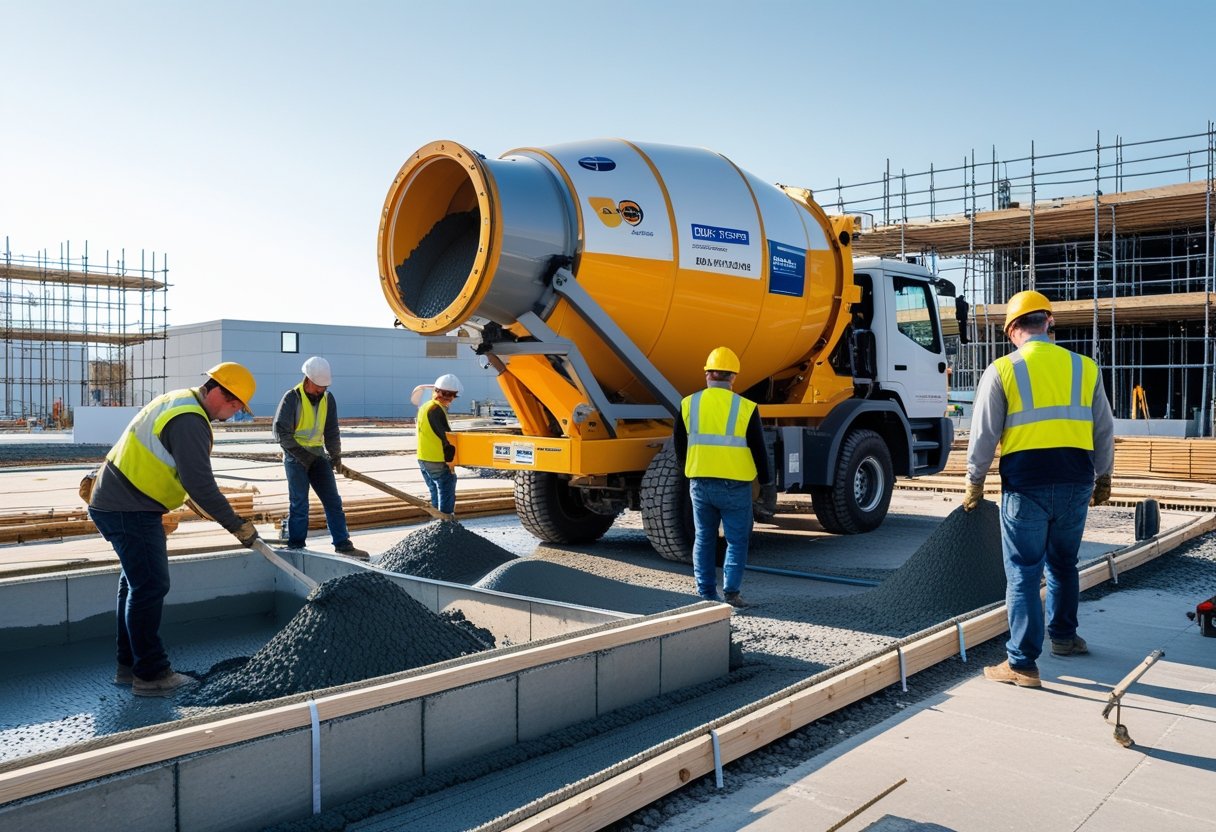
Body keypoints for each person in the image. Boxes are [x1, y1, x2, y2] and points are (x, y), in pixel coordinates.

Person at [964, 290, 1115, 688]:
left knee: (1023, 573)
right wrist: (1104, 476)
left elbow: (983, 434)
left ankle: (1022, 664)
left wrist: (974, 480)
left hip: (1026, 484)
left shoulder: (1002, 369)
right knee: (1064, 564)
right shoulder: (1085, 368)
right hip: (1075, 482)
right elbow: (1104, 428)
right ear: (1048, 323)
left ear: (1013, 330)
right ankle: (1064, 638)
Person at [87, 362, 263, 696]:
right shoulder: (190, 421)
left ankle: (130, 667)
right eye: (234, 403)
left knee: (135, 586)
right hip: (130, 507)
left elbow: (179, 474)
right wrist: (236, 525)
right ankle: (151, 675)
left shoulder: (179, 401)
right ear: (216, 391)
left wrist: (200, 505)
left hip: (120, 501)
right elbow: (200, 483)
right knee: (150, 586)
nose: (235, 412)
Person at [673, 347, 772, 608]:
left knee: (704, 537)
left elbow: (680, 447)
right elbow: (759, 449)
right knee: (736, 540)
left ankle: (705, 595)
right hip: (735, 485)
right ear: (733, 378)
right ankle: (731, 594)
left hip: (700, 483)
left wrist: (693, 468)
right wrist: (768, 482)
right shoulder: (745, 407)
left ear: (707, 374)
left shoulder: (688, 403)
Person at [272, 356, 368, 559]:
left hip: (317, 456)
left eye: (324, 387)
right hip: (295, 457)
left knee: (333, 501)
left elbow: (332, 431)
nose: (320, 391)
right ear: (307, 379)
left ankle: (343, 544)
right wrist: (303, 457)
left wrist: (336, 456)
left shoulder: (327, 399)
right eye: (318, 387)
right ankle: (296, 546)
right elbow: (282, 434)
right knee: (299, 503)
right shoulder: (292, 398)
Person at [417, 373, 462, 518]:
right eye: (452, 396)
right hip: (435, 458)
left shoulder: (426, 407)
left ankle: (436, 519)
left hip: (424, 457)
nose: (451, 400)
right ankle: (446, 521)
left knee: (435, 489)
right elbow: (445, 436)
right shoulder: (436, 410)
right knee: (446, 485)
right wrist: (451, 456)